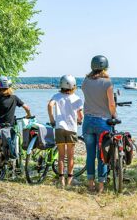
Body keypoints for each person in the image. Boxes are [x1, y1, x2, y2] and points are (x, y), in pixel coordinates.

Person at [82, 55, 116, 193]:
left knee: (90, 155)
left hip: (88, 121)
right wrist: (114, 115)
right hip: (103, 122)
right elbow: (111, 104)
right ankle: (101, 187)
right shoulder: (107, 82)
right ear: (105, 66)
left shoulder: (85, 81)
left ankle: (90, 184)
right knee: (102, 155)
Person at [47, 75, 83, 187]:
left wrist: (52, 119)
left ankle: (61, 179)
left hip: (59, 128)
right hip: (71, 129)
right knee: (70, 156)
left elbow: (49, 105)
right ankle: (70, 180)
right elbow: (80, 116)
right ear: (74, 86)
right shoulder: (77, 98)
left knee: (61, 156)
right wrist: (79, 120)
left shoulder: (56, 96)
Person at [0, 75, 31, 158]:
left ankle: (0, 155)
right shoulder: (14, 98)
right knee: (12, 138)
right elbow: (27, 107)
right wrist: (28, 115)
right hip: (10, 125)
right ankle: (12, 155)